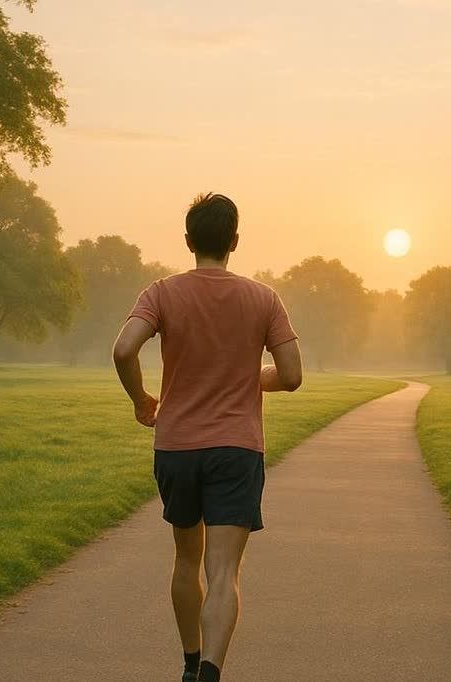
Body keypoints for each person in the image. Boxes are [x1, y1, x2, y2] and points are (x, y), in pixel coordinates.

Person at [112, 192, 303, 682]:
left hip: (176, 446)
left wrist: (141, 399)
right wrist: (254, 377)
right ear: (235, 241)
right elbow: (293, 375)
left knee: (185, 560)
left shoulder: (161, 292)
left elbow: (123, 349)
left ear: (188, 241)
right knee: (223, 573)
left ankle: (190, 663)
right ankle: (211, 674)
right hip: (237, 449)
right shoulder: (264, 299)